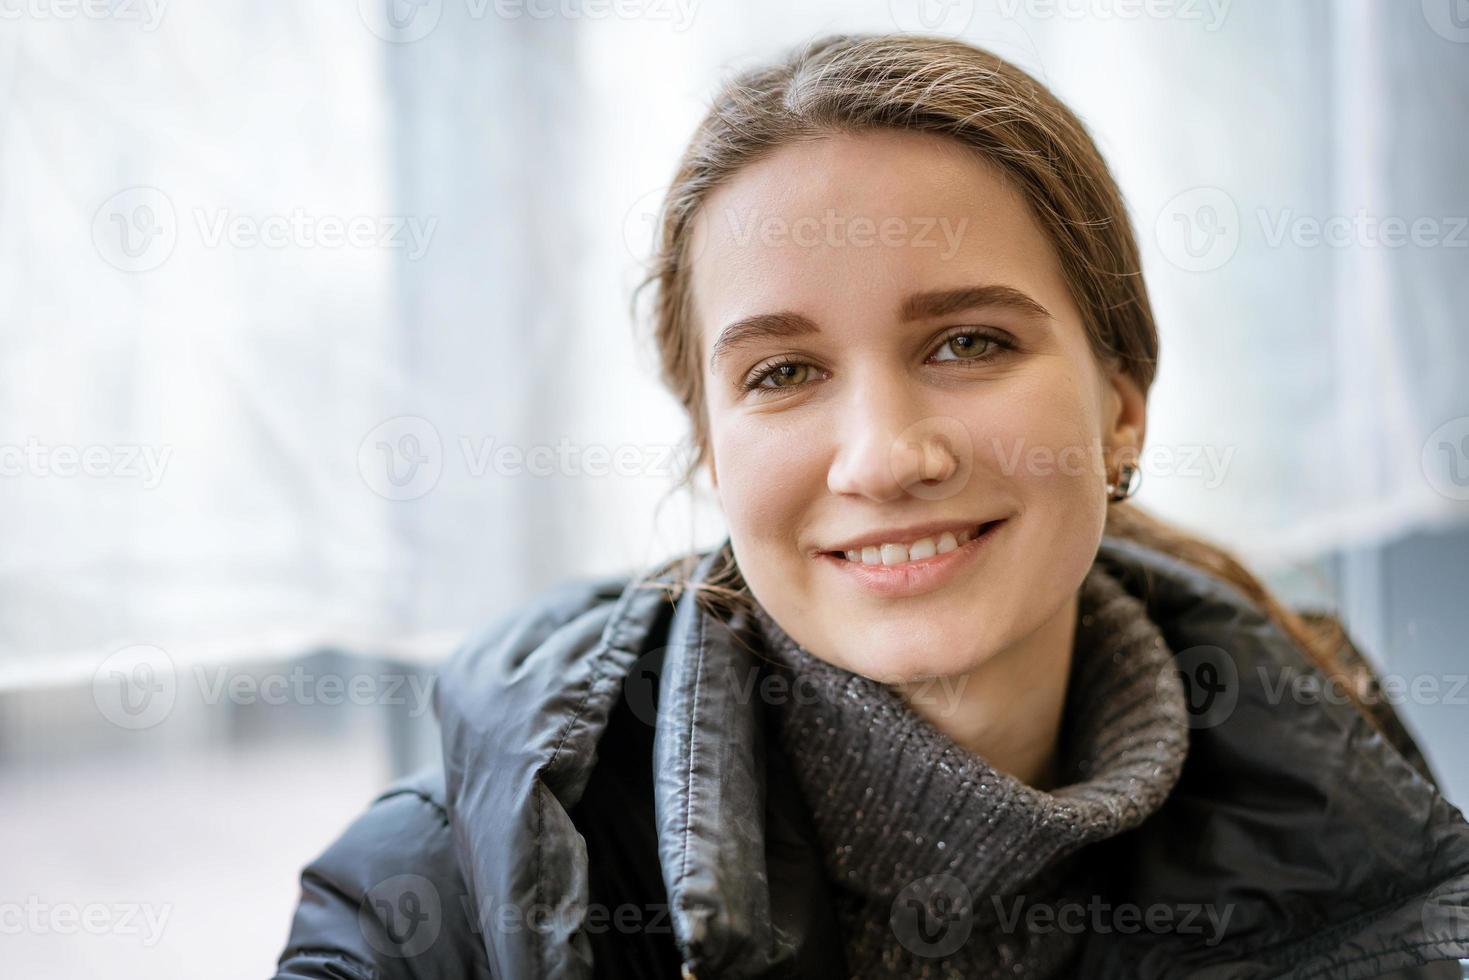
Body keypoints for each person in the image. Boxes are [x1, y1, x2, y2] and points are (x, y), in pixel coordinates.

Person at [274, 33, 1469, 979]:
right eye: (782, 373)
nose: (885, 456)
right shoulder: (433, 898)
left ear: (1119, 405)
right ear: (710, 450)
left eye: (966, 339)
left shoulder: (1346, 773)